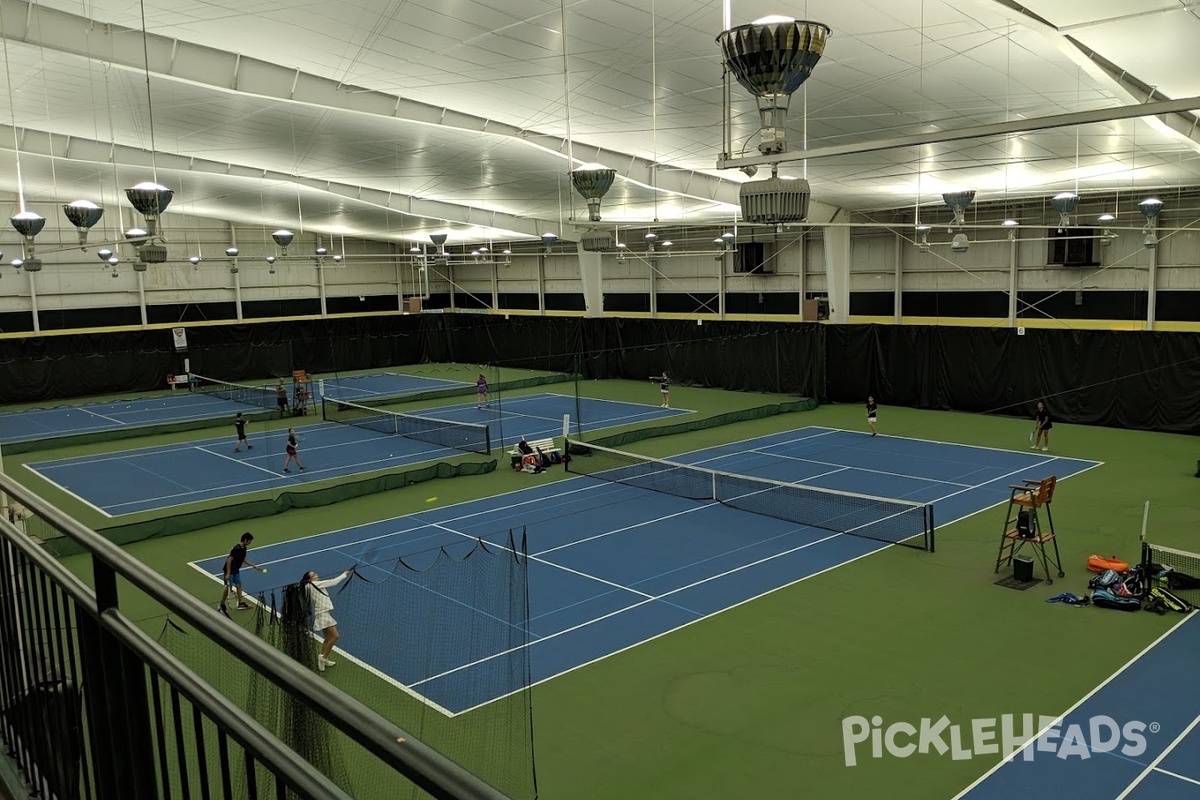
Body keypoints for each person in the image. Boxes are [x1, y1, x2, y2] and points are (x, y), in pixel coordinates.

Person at [299, 568, 352, 671]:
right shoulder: (314, 584)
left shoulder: (308, 586)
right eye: (314, 574)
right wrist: (345, 574)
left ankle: (324, 659)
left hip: (322, 613)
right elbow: (333, 582)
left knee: (327, 638)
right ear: (310, 579)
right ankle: (323, 658)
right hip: (323, 614)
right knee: (335, 636)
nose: (317, 574)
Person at [220, 532, 260, 613]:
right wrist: (228, 573)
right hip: (230, 571)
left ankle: (240, 604)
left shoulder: (244, 548)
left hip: (236, 570)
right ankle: (222, 604)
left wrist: (253, 565)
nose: (250, 543)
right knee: (228, 588)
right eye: (249, 541)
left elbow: (243, 559)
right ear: (245, 540)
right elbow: (229, 560)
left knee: (239, 585)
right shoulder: (236, 549)